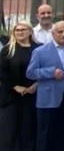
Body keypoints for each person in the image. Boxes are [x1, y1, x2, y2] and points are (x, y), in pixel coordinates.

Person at [26, 20, 64, 151]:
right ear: (53, 33)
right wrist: (50, 72)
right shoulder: (40, 51)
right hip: (48, 98)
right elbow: (30, 72)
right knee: (46, 134)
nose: (63, 35)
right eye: (59, 32)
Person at [0, 21, 39, 151]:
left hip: (33, 96)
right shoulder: (7, 50)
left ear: (30, 32)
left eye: (23, 29)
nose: (20, 32)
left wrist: (36, 85)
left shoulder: (39, 48)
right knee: (9, 132)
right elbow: (2, 72)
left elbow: (45, 68)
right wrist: (15, 86)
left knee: (28, 130)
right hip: (11, 96)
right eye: (17, 30)